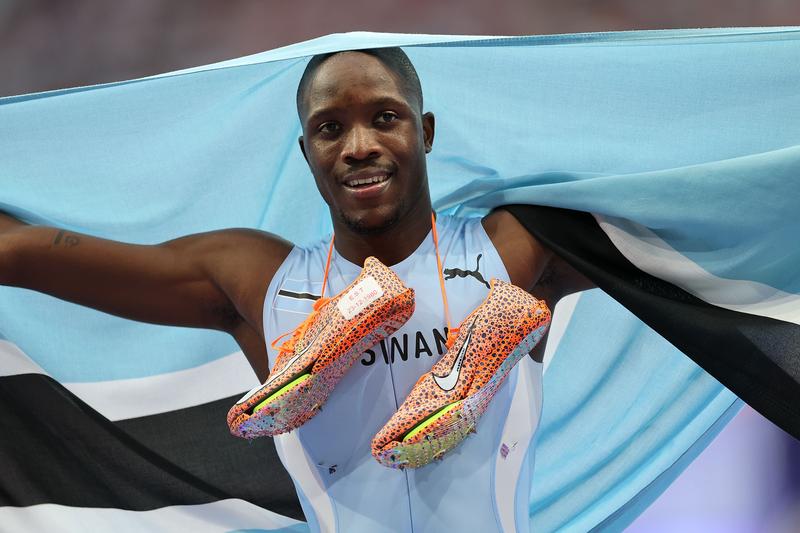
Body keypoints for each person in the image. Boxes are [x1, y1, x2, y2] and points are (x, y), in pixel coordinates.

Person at [0, 48, 592, 532]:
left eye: (386, 117)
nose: (358, 146)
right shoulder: (254, 278)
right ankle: (359, 322)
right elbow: (25, 254)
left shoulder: (515, 246)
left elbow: (643, 226)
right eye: (330, 128)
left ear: (426, 131)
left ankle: (480, 329)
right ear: (307, 151)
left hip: (486, 279)